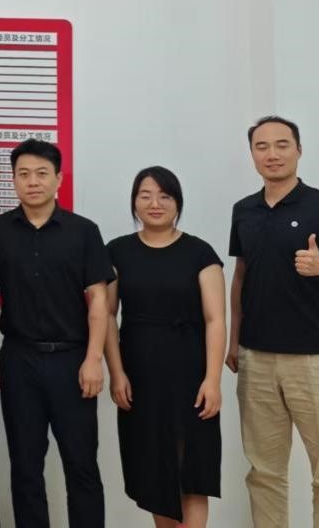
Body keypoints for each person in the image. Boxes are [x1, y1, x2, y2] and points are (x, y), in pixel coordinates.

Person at [227, 116, 319, 528]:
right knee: (264, 474)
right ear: (252, 154)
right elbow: (240, 277)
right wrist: (234, 341)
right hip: (257, 359)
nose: (272, 154)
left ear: (299, 150)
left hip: (317, 361)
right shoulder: (244, 210)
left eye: (282, 145)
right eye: (262, 146)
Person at [0, 138, 110, 528]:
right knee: (25, 466)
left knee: (81, 464)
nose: (32, 181)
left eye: (41, 173)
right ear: (13, 180)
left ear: (58, 178)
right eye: (23, 174)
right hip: (18, 359)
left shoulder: (83, 231)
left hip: (73, 360)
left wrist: (94, 359)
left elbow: (99, 300)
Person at [104, 166, 226, 528]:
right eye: (145, 195)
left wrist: (213, 380)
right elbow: (106, 315)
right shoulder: (117, 251)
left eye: (164, 196)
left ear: (178, 203)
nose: (155, 203)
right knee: (155, 471)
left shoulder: (200, 252)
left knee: (192, 471)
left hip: (190, 374)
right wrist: (117, 373)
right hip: (140, 374)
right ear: (134, 202)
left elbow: (215, 320)